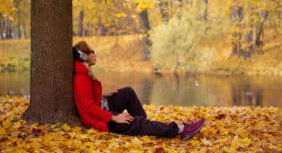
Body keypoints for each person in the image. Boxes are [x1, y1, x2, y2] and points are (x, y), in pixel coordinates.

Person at [73, 41, 205, 140]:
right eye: (92, 51)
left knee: (127, 93)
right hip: (102, 118)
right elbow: (88, 107)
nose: (95, 54)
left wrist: (102, 95)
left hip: (103, 106)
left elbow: (87, 97)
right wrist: (114, 117)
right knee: (134, 122)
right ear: (84, 56)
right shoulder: (81, 77)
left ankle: (146, 126)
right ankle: (180, 130)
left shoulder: (84, 73)